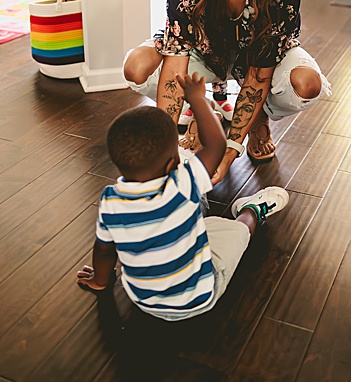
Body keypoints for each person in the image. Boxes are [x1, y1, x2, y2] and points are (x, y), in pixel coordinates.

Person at [122, 0, 332, 183]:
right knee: (137, 67)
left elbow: (259, 76)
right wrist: (164, 147)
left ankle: (258, 118)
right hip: (204, 52)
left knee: (306, 85)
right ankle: (201, 108)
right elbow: (174, 68)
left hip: (257, 62)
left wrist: (231, 149)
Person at [76, 71, 290, 321]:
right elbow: (216, 146)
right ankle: (252, 210)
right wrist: (198, 99)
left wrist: (101, 282)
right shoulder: (182, 183)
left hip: (143, 301)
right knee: (239, 232)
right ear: (170, 165)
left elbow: (104, 250)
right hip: (200, 297)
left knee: (191, 226)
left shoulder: (110, 201)